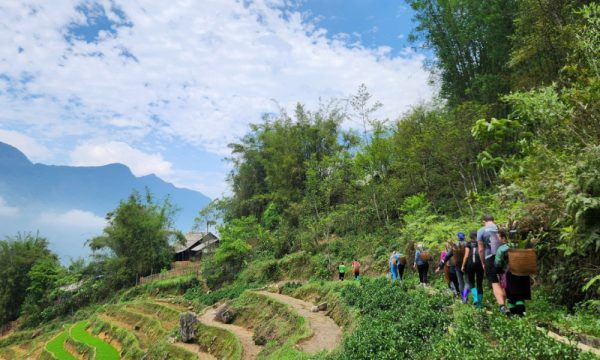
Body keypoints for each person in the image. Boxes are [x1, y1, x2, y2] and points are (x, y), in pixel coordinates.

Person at [495, 230, 531, 316]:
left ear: (508, 238)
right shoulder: (524, 247)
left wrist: (499, 272)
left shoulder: (503, 248)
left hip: (509, 274)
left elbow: (497, 263)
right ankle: (521, 314)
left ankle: (513, 315)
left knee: (511, 297)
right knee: (520, 296)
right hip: (523, 274)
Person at [477, 214, 508, 314]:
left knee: (495, 282)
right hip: (503, 257)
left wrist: (482, 262)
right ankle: (508, 303)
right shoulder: (500, 228)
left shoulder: (481, 230)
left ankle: (502, 306)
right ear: (493, 220)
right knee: (504, 280)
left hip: (489, 258)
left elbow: (481, 249)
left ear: (484, 221)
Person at [462, 230, 484, 307]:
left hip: (470, 265)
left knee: (471, 282)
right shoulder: (481, 242)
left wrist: (463, 265)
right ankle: (479, 304)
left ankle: (475, 299)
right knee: (479, 283)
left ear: (470, 237)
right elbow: (482, 252)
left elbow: (466, 255)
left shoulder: (468, 244)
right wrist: (483, 264)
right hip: (479, 265)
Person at [454, 232, 469, 303]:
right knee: (467, 282)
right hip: (467, 265)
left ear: (457, 237)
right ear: (464, 236)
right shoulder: (467, 244)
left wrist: (441, 264)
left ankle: (463, 298)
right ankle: (465, 297)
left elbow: (448, 254)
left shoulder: (454, 245)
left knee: (460, 283)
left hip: (457, 266)